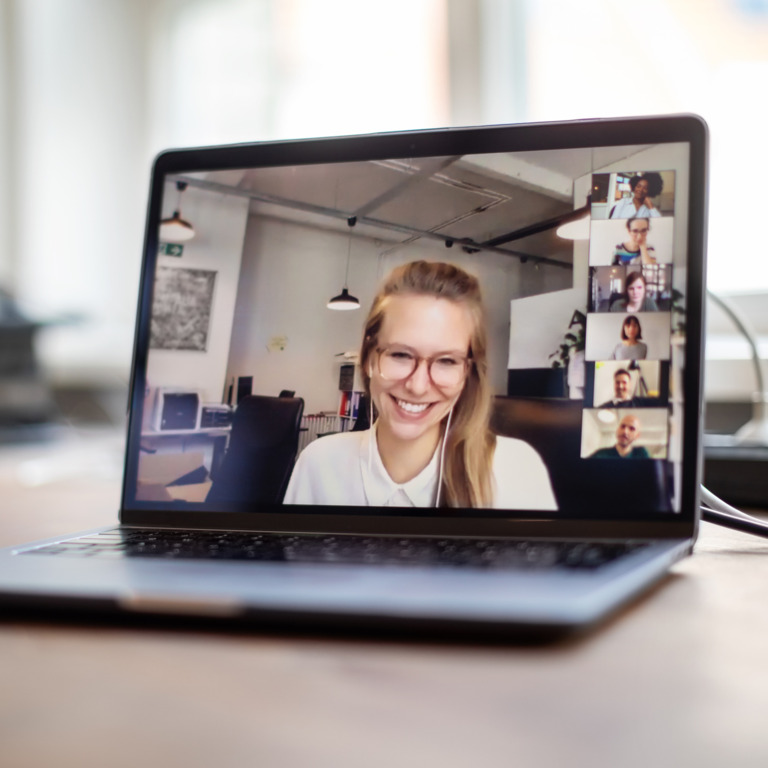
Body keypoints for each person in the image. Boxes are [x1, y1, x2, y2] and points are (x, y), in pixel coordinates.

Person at [284, 260, 557, 510]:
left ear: (467, 373)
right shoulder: (318, 464)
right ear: (369, 359)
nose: (417, 386)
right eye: (400, 355)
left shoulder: (515, 471)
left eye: (447, 361)